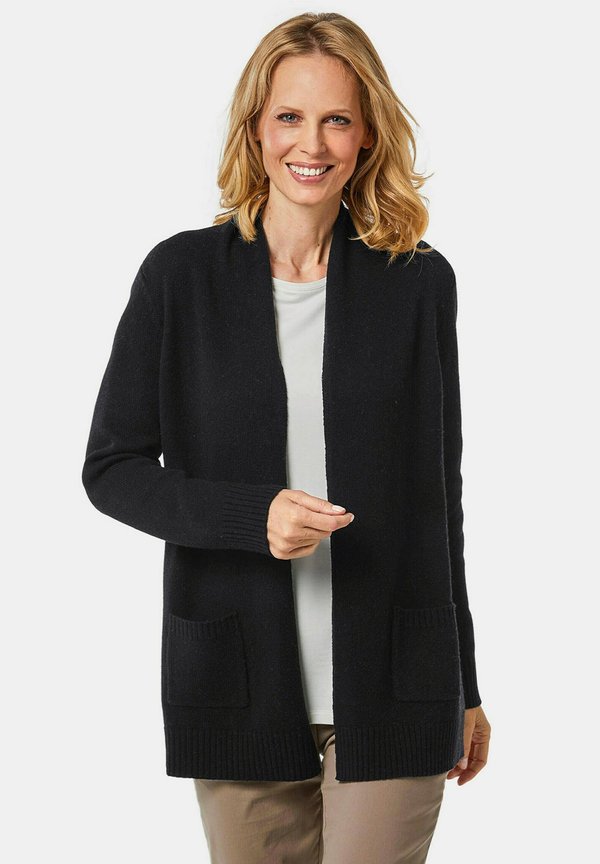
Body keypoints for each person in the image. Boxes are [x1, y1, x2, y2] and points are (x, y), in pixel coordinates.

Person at [82, 10, 491, 864]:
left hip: (398, 682)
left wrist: (467, 684)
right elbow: (112, 468)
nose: (312, 143)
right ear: (256, 129)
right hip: (236, 681)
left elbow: (436, 499)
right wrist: (250, 517)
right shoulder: (179, 277)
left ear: (368, 134)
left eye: (337, 118)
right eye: (290, 117)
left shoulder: (418, 282)